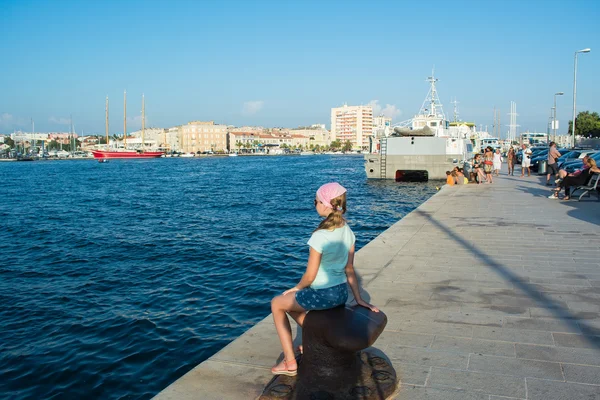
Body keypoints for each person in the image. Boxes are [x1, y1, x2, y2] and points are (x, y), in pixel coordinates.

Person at [269, 182, 378, 376]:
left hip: (323, 295)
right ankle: (315, 338)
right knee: (292, 306)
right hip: (340, 294)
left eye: (316, 201)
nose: (315, 205)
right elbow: (350, 269)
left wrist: (296, 288)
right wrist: (359, 299)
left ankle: (289, 362)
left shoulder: (320, 236)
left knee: (278, 303)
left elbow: (310, 276)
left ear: (326, 204)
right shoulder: (348, 232)